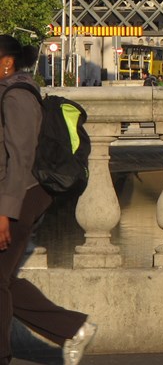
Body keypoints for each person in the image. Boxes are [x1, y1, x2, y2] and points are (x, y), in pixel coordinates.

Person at [0, 36, 96, 365]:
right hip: (16, 195)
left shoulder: (16, 96)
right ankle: (73, 329)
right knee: (5, 279)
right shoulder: (10, 91)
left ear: (7, 62)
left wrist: (5, 212)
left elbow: (21, 158)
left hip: (22, 195)